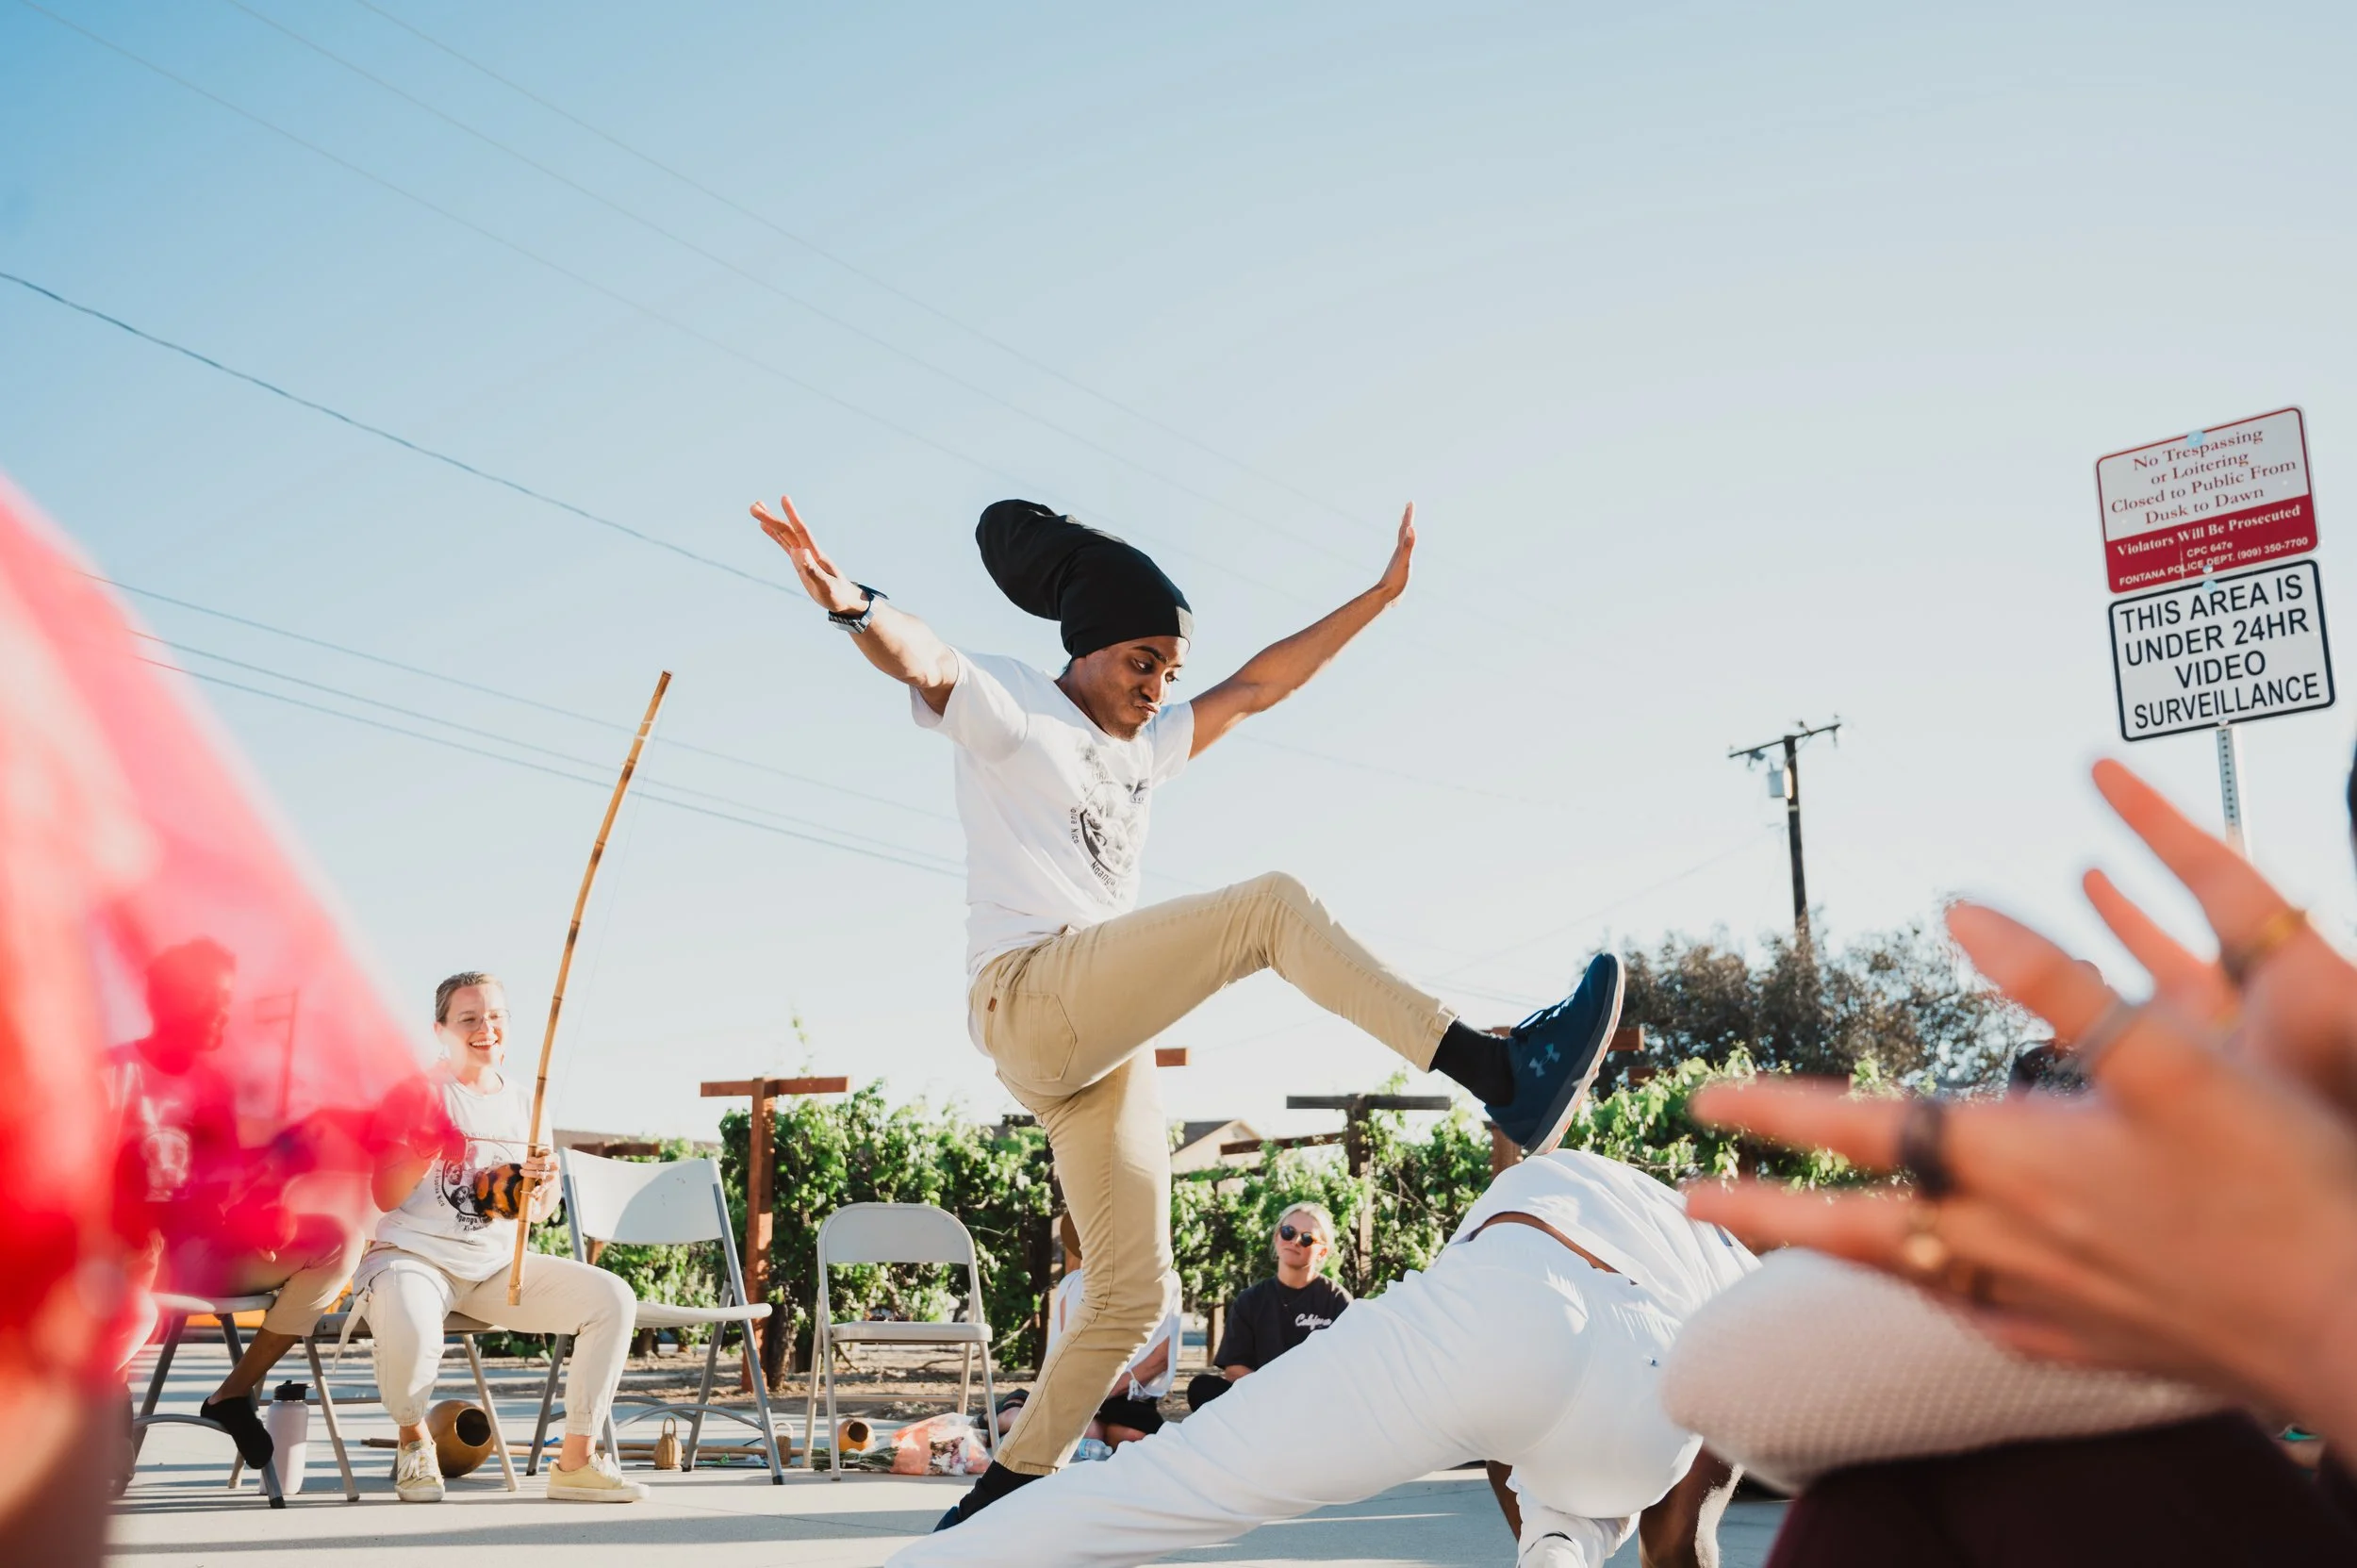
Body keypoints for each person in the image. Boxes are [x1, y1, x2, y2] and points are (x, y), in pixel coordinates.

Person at [750, 493, 1630, 1526]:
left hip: (1090, 1045)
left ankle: (998, 1498)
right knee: (1265, 909)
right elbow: (925, 660)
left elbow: (1260, 684)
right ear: (1086, 648)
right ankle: (1499, 1073)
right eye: (1141, 664)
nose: (1156, 688)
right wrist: (851, 603)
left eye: (1168, 670)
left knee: (1130, 1290)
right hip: (1030, 992)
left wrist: (1378, 598)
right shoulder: (1016, 703)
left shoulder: (1144, 748)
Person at [1679, 757, 2357, 1560]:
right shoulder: (2043, 1063)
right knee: (1894, 1489)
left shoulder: (2129, 1062)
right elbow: (2022, 1121)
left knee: (1904, 1496)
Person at [886, 1147, 1756, 1567]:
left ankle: (1557, 1536)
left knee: (1173, 1485)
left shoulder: (1595, 1181)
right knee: (1588, 1503)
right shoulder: (1727, 1258)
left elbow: (1513, 1372)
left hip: (1512, 1299)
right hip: (1648, 1411)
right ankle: (1558, 1541)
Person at [353, 972, 643, 1504]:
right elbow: (383, 1195)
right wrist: (422, 1151)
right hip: (412, 1256)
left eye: (495, 1016)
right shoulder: (415, 1094)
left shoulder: (527, 1103)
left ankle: (575, 1461)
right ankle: (414, 1440)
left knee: (612, 1299)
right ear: (440, 1030)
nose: (485, 1027)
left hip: (493, 1267)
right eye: (468, 1018)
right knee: (411, 1321)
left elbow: (540, 1206)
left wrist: (543, 1188)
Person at [109, 940, 365, 1471]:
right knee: (130, 1251)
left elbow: (219, 1189)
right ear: (166, 1000)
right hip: (116, 1264)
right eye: (209, 997)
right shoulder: (113, 1073)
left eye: (228, 998)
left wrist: (262, 1210)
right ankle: (109, 1399)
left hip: (197, 1256)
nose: (224, 1010)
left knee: (337, 1240)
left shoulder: (215, 1087)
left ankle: (232, 1395)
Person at [1000, 1215, 1180, 1450]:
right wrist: (1085, 1394)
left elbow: (1160, 1359)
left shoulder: (1166, 1283)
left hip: (1128, 1396)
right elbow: (1067, 1352)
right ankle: (1005, 1418)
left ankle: (1021, 1413)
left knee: (1130, 1434)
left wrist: (1107, 1391)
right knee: (1091, 1432)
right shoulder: (1074, 1283)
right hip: (1079, 1392)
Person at [1186, 1201, 1349, 1411]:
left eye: (1307, 1238)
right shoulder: (1250, 1299)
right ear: (1277, 1237)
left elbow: (1348, 1368)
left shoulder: (1337, 1301)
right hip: (1262, 1403)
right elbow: (1235, 1368)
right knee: (1204, 1388)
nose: (1295, 1241)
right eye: (1288, 1232)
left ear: (1322, 1252)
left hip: (1318, 1405)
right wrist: (1275, 1396)